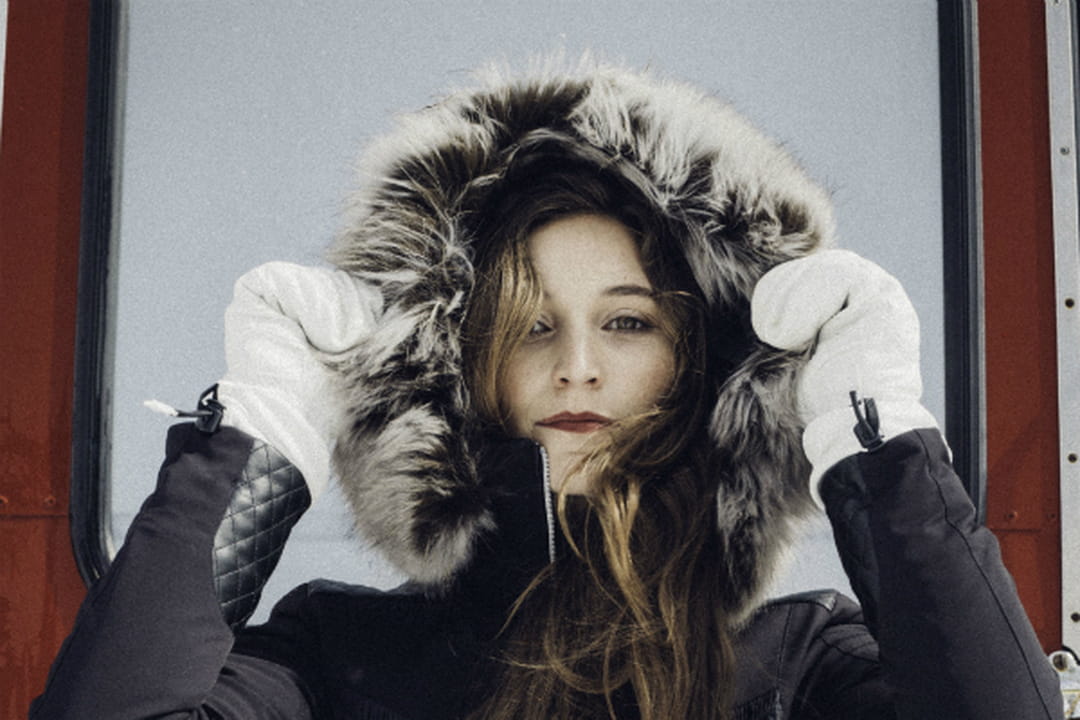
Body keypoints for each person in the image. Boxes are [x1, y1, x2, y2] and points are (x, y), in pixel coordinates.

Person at [31, 60, 1061, 720]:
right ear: (464, 364)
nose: (577, 366)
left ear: (696, 361)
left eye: (627, 323)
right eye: (530, 326)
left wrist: (873, 430)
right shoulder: (335, 654)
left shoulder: (798, 663)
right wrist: (263, 428)